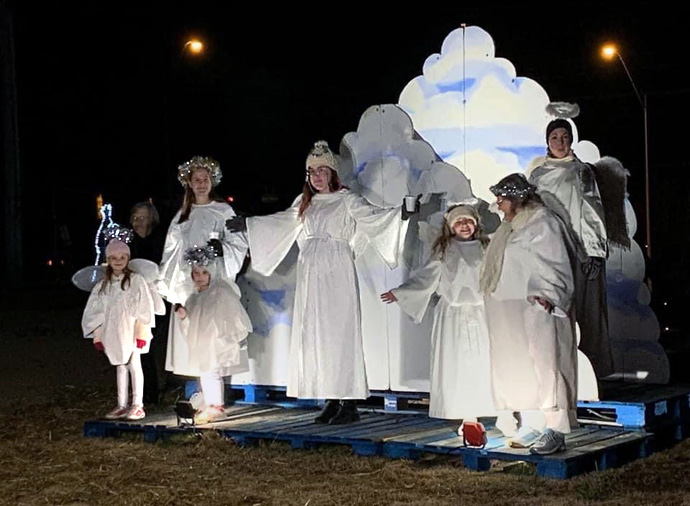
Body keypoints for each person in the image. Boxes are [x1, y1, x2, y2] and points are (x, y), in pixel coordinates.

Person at [227, 140, 413, 425]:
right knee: (317, 332)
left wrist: (400, 215)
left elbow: (373, 218)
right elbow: (280, 223)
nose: (317, 176)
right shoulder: (305, 204)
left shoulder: (347, 199)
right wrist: (249, 224)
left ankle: (348, 401)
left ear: (332, 174)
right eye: (312, 172)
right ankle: (330, 398)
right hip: (312, 269)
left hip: (337, 268)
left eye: (322, 171)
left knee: (340, 333)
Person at [480, 174, 577, 455]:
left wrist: (546, 293)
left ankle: (556, 429)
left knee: (546, 365)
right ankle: (532, 422)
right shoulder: (509, 228)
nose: (498, 203)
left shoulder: (542, 222)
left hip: (537, 306)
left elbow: (554, 259)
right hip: (509, 306)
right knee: (518, 366)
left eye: (502, 197)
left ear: (517, 198)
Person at [380, 204, 496, 428]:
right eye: (459, 222)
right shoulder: (445, 250)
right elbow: (427, 278)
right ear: (451, 227)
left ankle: (487, 409)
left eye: (468, 221)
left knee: (483, 362)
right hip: (452, 315)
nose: (464, 225)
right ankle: (466, 416)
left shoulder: (486, 247)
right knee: (457, 364)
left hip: (481, 313)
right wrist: (401, 293)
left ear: (476, 224)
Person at [528, 119, 613, 378]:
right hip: (549, 250)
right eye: (555, 137)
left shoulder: (581, 172)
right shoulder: (537, 176)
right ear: (547, 141)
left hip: (577, 249)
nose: (560, 142)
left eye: (565, 137)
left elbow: (592, 210)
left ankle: (590, 373)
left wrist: (594, 251)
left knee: (584, 309)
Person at [159, 157, 248, 385]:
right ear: (189, 183)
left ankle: (218, 391)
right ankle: (203, 389)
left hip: (215, 281)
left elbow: (238, 242)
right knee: (195, 332)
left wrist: (223, 249)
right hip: (192, 283)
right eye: (196, 180)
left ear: (212, 181)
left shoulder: (222, 210)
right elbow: (171, 250)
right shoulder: (183, 216)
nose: (201, 184)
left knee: (214, 334)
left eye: (205, 179)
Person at [173, 245, 253, 423]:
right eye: (196, 273)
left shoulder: (220, 293)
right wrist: (184, 316)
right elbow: (192, 323)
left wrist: (224, 337)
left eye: (204, 273)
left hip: (215, 341)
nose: (200, 278)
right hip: (203, 343)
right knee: (205, 373)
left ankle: (217, 406)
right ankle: (210, 403)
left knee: (212, 372)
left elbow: (231, 315)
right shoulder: (194, 298)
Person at [81, 239, 156, 420]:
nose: (118, 261)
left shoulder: (136, 281)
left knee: (134, 364)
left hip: (131, 330)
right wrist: (97, 335)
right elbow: (96, 311)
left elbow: (144, 306)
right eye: (114, 257)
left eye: (122, 257)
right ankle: (122, 403)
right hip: (113, 332)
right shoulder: (103, 285)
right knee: (120, 366)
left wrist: (142, 331)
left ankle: (138, 404)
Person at [129, 201, 167, 405]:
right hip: (134, 300)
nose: (138, 222)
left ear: (152, 219)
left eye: (143, 217)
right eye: (135, 218)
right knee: (135, 347)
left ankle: (150, 394)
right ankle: (140, 393)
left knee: (147, 345)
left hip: (156, 300)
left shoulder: (161, 241)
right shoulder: (129, 242)